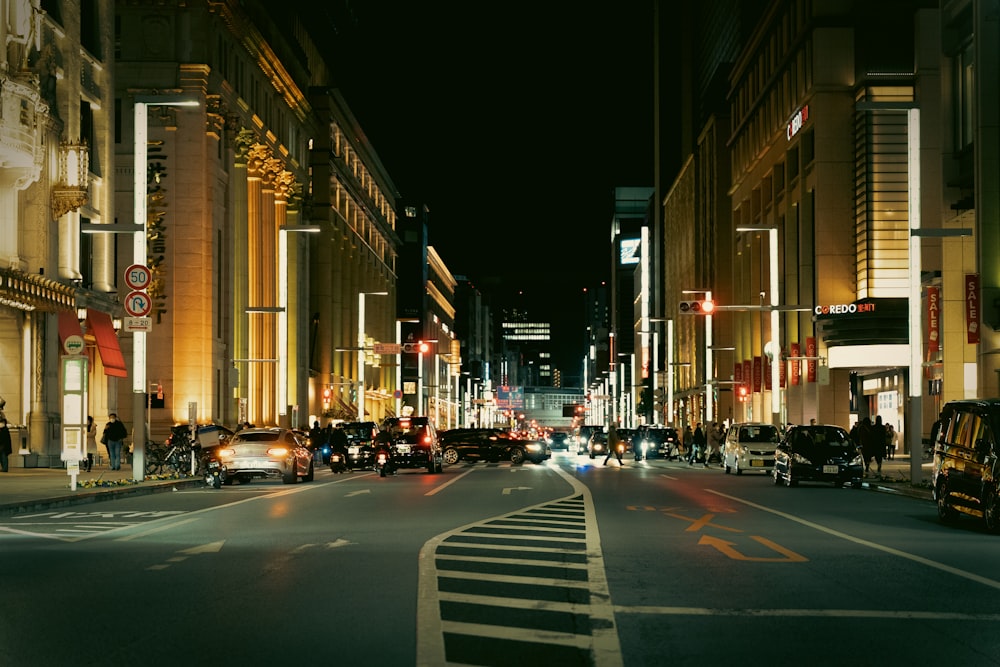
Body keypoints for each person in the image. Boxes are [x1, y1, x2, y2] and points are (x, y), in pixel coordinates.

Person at [0, 408, 11, 473]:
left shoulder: (3, 428)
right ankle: (4, 467)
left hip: (2, 443)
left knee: (3, 455)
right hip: (3, 442)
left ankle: (4, 468)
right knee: (3, 455)